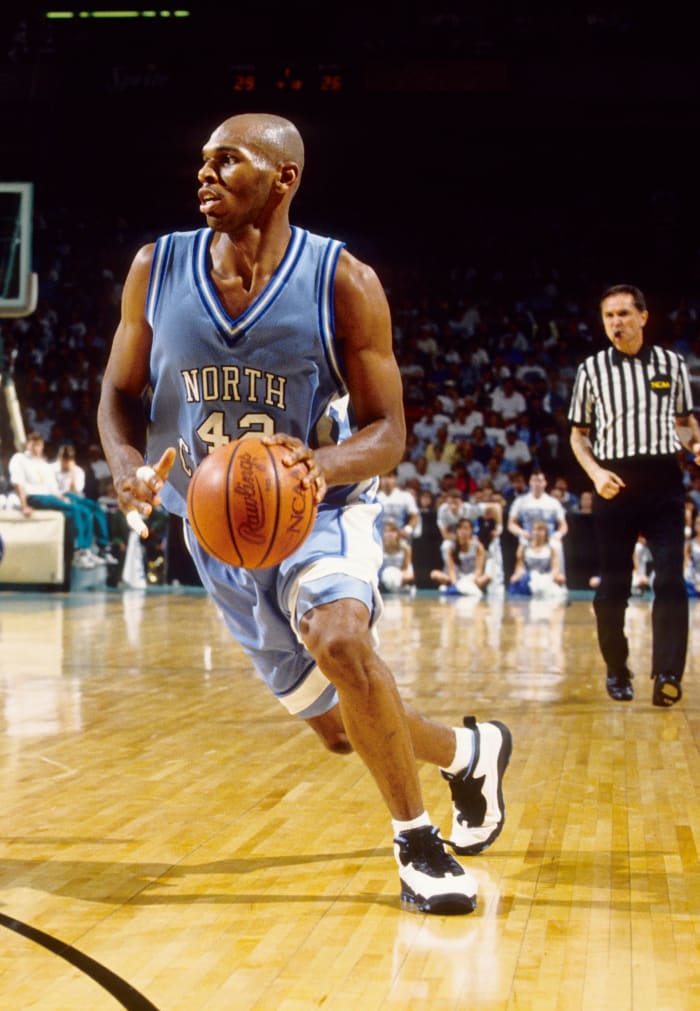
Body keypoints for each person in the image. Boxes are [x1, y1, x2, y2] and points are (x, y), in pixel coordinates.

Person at [97, 112, 512, 915]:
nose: (205, 174)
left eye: (229, 160)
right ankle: (469, 752)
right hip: (215, 530)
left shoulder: (343, 281)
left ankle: (417, 845)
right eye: (202, 161)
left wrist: (314, 468)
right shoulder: (157, 267)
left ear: (283, 178)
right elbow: (118, 393)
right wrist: (123, 466)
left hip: (320, 508)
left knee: (341, 640)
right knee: (335, 725)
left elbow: (390, 430)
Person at [568, 283, 700, 706]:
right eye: (609, 316)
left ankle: (667, 674)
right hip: (614, 483)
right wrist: (595, 473)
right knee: (613, 588)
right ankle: (617, 666)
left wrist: (695, 443)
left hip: (663, 482)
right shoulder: (591, 370)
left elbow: (683, 422)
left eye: (624, 314)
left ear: (644, 317)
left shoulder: (671, 364)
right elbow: (578, 436)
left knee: (670, 580)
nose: (616, 323)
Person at [9, 431, 103, 568]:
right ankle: (78, 550)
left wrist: (63, 498)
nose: (36, 449)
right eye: (33, 445)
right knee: (74, 509)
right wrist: (24, 505)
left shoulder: (44, 464)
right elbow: (18, 483)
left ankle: (85, 550)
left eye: (39, 445)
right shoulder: (19, 459)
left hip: (50, 497)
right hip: (33, 497)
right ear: (28, 445)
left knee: (84, 510)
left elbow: (53, 488)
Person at [430, 516, 491, 596]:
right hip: (455, 577)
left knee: (487, 577)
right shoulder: (451, 548)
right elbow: (451, 570)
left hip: (471, 578)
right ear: (457, 531)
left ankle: (464, 588)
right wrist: (455, 584)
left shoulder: (478, 547)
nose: (463, 531)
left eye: (466, 528)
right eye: (460, 528)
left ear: (471, 531)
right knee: (434, 574)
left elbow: (478, 570)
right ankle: (456, 588)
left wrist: (472, 580)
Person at [508, 519, 567, 601]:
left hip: (545, 577)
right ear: (532, 532)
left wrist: (548, 579)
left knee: (560, 579)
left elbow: (555, 568)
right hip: (529, 577)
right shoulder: (524, 548)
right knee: (515, 581)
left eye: (540, 530)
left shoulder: (551, 549)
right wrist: (517, 575)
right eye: (535, 530)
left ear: (545, 533)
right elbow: (519, 566)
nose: (537, 533)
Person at [379, 518, 415, 594]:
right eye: (387, 531)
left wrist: (397, 577)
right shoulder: (378, 548)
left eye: (392, 531)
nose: (390, 534)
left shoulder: (406, 549)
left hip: (400, 577)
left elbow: (407, 571)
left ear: (397, 533)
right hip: (381, 579)